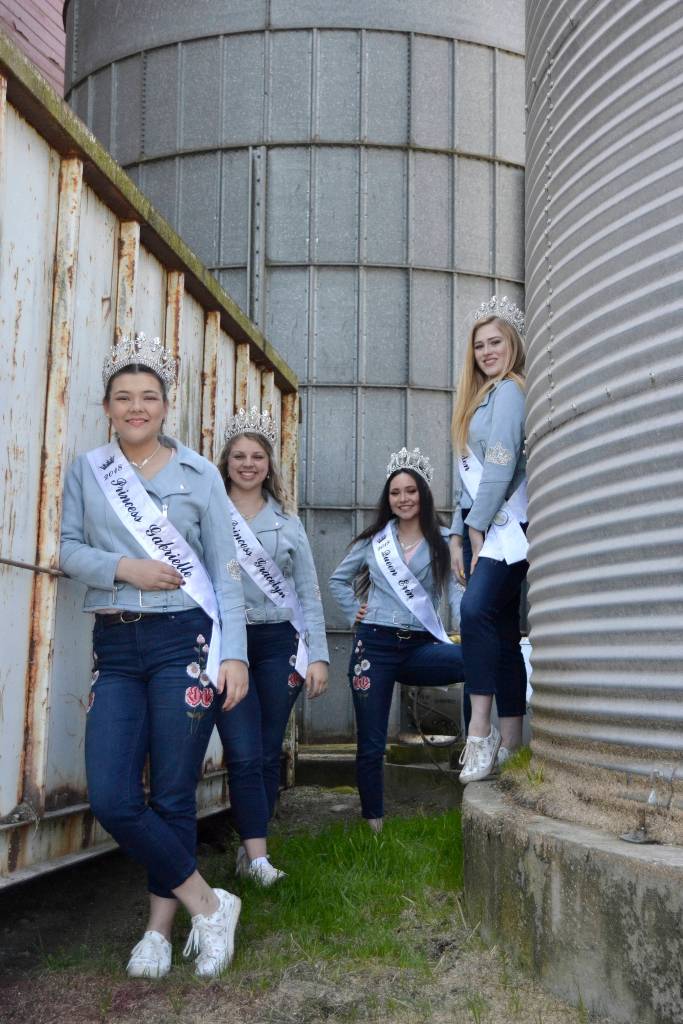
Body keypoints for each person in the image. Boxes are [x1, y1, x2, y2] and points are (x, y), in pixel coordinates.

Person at [60, 332, 249, 979]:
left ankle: (158, 934)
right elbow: (67, 550)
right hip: (115, 644)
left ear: (166, 406)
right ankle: (209, 903)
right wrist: (125, 568)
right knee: (113, 796)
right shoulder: (88, 471)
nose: (135, 407)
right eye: (123, 397)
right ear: (107, 407)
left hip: (184, 644)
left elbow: (226, 571)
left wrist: (237, 656)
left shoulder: (198, 475)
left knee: (171, 792)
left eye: (147, 397)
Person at [215, 407, 329, 884]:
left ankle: (253, 852)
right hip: (230, 645)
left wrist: (318, 655)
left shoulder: (288, 524)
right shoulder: (210, 514)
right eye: (239, 455)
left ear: (268, 464)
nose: (247, 464)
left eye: (256, 456)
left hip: (279, 641)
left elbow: (309, 593)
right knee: (241, 750)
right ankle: (254, 850)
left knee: (265, 750)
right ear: (226, 462)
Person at [329, 448, 464, 830]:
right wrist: (353, 609)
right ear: (387, 499)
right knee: (371, 743)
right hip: (374, 646)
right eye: (395, 493)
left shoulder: (442, 540)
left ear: (423, 494)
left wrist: (470, 622)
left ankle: (481, 749)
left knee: (477, 661)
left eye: (410, 491)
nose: (403, 499)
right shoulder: (374, 541)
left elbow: (455, 590)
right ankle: (374, 823)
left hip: (420, 646)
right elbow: (338, 579)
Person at [449, 295, 528, 784]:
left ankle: (480, 732)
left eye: (495, 341)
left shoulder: (511, 393)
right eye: (479, 345)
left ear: (512, 344)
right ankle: (514, 746)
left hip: (505, 532)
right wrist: (458, 534)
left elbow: (499, 462)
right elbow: (467, 481)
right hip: (481, 528)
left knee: (474, 613)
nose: (486, 351)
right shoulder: (478, 398)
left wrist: (476, 527)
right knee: (500, 633)